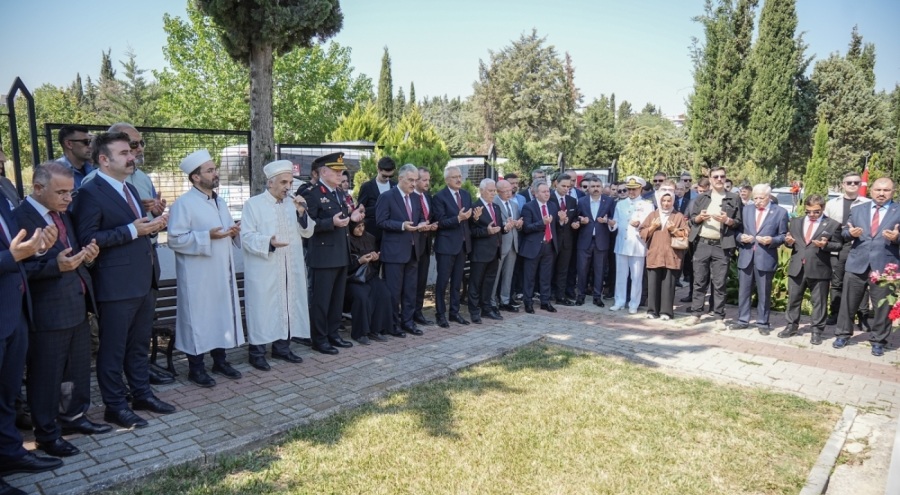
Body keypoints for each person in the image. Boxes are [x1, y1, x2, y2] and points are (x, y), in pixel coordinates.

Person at [71, 131, 175, 429]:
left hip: (143, 279)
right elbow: (88, 238)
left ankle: (142, 394)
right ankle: (114, 406)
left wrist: (153, 226)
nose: (132, 157)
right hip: (115, 285)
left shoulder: (128, 189)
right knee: (113, 349)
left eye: (131, 152)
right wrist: (133, 230)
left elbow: (139, 230)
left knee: (138, 345)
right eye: (124, 154)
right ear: (103, 160)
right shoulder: (90, 193)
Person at [14, 162, 109, 458]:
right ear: (38, 188)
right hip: (47, 311)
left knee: (77, 369)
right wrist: (53, 266)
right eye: (62, 192)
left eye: (71, 191)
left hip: (76, 305)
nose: (69, 198)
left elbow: (72, 253)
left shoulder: (61, 215)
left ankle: (74, 418)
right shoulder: (19, 217)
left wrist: (88, 257)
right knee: (47, 376)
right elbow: (16, 268)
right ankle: (46, 434)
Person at [0, 188, 62, 495]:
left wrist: (37, 248)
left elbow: (16, 249)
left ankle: (10, 454)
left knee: (7, 394)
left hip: (14, 312)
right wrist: (11, 256)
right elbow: (9, 254)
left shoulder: (1, 197)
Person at [166, 150, 245, 386]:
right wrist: (206, 237)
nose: (216, 173)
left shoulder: (219, 201)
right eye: (210, 170)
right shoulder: (184, 204)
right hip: (197, 275)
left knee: (220, 314)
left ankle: (220, 361)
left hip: (221, 270)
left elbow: (225, 230)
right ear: (195, 177)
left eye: (215, 169)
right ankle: (196, 367)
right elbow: (174, 239)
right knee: (199, 319)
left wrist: (234, 231)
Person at [241, 160, 315, 369]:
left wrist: (302, 213)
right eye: (283, 182)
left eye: (290, 182)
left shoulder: (293, 205)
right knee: (263, 308)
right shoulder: (253, 205)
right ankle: (256, 353)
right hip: (265, 267)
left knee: (288, 304)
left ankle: (282, 348)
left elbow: (308, 231)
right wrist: (268, 242)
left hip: (290, 267)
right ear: (270, 183)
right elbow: (246, 237)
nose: (287, 187)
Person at [834, 178, 900, 357]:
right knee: (848, 302)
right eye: (878, 189)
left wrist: (896, 238)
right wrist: (850, 234)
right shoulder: (857, 210)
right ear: (871, 191)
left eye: (886, 190)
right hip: (857, 263)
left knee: (883, 307)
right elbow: (844, 233)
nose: (881, 193)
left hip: (886, 266)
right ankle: (842, 334)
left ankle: (878, 340)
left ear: (893, 191)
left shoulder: (898, 210)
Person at [306, 153, 363, 354]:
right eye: (336, 171)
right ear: (323, 172)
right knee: (321, 300)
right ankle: (319, 339)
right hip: (323, 257)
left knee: (336, 300)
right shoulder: (312, 194)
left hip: (340, 254)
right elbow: (306, 226)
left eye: (341, 171)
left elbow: (344, 222)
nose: (341, 174)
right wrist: (331, 223)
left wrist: (353, 218)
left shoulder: (339, 193)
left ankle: (333, 334)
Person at [376, 163, 431, 336]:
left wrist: (422, 224)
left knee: (410, 290)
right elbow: (380, 221)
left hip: (414, 251)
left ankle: (408, 322)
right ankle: (393, 325)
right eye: (410, 180)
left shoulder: (415, 197)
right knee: (394, 292)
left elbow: (420, 217)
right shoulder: (387, 197)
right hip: (394, 253)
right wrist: (401, 226)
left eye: (416, 180)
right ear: (400, 179)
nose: (414, 184)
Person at [781, 195, 842, 345]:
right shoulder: (796, 222)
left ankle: (816, 331)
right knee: (793, 299)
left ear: (822, 208)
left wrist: (825, 245)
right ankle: (791, 326)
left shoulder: (832, 224)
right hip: (797, 267)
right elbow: (791, 243)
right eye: (808, 211)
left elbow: (838, 245)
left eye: (816, 212)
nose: (812, 215)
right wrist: (788, 243)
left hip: (819, 268)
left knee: (819, 302)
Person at [686, 167, 742, 325]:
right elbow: (691, 219)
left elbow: (739, 222)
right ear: (710, 179)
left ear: (725, 178)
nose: (719, 179)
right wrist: (699, 219)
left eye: (722, 176)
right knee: (699, 280)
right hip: (702, 243)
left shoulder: (733, 198)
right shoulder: (701, 198)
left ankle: (718, 316)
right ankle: (696, 313)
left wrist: (727, 221)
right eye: (715, 177)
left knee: (719, 282)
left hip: (721, 245)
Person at [729, 184, 787, 333]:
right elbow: (737, 231)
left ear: (768, 197)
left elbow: (783, 236)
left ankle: (762, 323)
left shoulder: (780, 212)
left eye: (761, 198)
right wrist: (741, 237)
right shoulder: (746, 210)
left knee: (764, 292)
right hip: (747, 256)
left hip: (765, 257)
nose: (758, 201)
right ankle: (743, 319)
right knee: (744, 291)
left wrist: (772, 240)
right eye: (755, 198)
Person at [824, 172, 871, 326]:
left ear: (860, 185)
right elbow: (824, 225)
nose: (852, 185)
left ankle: (862, 317)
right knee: (836, 283)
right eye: (849, 182)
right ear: (843, 184)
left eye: (856, 182)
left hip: (859, 247)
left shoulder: (868, 204)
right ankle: (835, 314)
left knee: (861, 283)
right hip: (838, 247)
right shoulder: (832, 203)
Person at [432, 166, 475, 328]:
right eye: (454, 177)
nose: (459, 179)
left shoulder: (465, 195)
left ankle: (454, 312)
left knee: (457, 282)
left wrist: (474, 218)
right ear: (446, 180)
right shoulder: (439, 197)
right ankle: (440, 314)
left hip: (463, 245)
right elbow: (440, 222)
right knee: (443, 282)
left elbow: (468, 220)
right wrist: (458, 218)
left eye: (460, 176)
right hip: (446, 246)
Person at [639, 191, 689, 320]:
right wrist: (653, 227)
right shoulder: (653, 215)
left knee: (668, 284)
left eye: (669, 201)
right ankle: (652, 311)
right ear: (660, 201)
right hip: (655, 253)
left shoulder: (678, 216)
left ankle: (666, 312)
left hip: (671, 254)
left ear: (673, 202)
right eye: (663, 201)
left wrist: (674, 230)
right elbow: (642, 231)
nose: (666, 204)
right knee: (653, 283)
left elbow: (686, 233)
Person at [609, 176, 653, 314]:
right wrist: (612, 224)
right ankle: (620, 301)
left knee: (636, 276)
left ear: (641, 189)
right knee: (621, 275)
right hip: (622, 243)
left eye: (635, 189)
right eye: (629, 189)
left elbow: (650, 225)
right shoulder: (620, 204)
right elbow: (616, 222)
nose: (632, 192)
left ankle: (634, 303)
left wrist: (639, 225)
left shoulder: (647, 204)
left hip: (637, 244)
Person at [346, 221, 395, 343]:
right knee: (362, 297)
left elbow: (375, 264)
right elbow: (344, 266)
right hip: (352, 278)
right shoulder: (345, 240)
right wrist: (359, 261)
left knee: (384, 293)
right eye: (358, 227)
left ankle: (376, 329)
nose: (361, 229)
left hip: (369, 275)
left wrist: (375, 258)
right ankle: (360, 333)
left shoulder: (369, 238)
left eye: (363, 226)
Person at [520, 181, 561, 313]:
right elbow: (526, 228)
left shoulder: (553, 206)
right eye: (543, 192)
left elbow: (555, 227)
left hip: (549, 246)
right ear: (536, 193)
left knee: (546, 276)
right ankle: (528, 302)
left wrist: (562, 221)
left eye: (548, 191)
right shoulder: (528, 207)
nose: (547, 194)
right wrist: (541, 223)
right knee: (529, 277)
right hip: (533, 247)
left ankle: (545, 301)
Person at [467, 178, 504, 322]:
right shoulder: (475, 207)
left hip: (495, 251)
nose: (493, 193)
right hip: (480, 252)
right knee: (476, 283)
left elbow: (498, 228)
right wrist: (486, 232)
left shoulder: (496, 207)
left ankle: (486, 309)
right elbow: (472, 232)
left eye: (494, 190)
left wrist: (505, 228)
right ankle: (474, 311)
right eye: (490, 190)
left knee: (489, 282)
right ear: (481, 191)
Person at [575, 176, 615, 306]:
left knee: (600, 270)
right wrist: (580, 221)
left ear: (602, 188)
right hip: (584, 241)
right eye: (593, 186)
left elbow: (613, 220)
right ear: (588, 188)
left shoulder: (609, 201)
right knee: (582, 270)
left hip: (601, 241)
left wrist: (607, 221)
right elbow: (575, 218)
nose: (596, 189)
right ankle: (580, 295)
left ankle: (597, 296)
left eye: (598, 186)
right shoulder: (581, 201)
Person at [548, 173, 580, 305]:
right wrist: (559, 221)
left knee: (563, 269)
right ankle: (547, 294)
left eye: (568, 186)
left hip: (567, 241)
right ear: (556, 183)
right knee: (548, 269)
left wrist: (576, 222)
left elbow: (575, 216)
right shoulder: (548, 198)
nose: (566, 189)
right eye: (563, 186)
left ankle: (560, 296)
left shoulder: (572, 201)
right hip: (551, 241)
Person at [492, 179, 522, 312]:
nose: (509, 193)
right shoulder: (494, 203)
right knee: (495, 275)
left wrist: (519, 224)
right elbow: (494, 223)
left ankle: (505, 300)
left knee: (508, 275)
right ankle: (492, 302)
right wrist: (506, 224)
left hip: (513, 244)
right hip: (500, 244)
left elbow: (516, 223)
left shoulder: (514, 204)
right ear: (498, 192)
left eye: (510, 190)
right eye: (505, 191)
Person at [680, 177, 710, 303]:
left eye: (703, 191)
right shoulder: (692, 202)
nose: (700, 194)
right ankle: (692, 294)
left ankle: (708, 297)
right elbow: (685, 217)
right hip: (694, 240)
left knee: (709, 272)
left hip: (708, 239)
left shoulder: (713, 202)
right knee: (694, 269)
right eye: (699, 191)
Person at [413, 167, 436, 326]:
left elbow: (430, 217)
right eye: (424, 180)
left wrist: (433, 225)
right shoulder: (410, 197)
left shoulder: (427, 196)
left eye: (428, 180)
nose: (427, 183)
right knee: (411, 282)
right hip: (413, 245)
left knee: (421, 281)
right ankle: (405, 313)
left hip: (426, 244)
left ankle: (418, 311)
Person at [357, 156, 397, 245]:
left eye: (390, 176)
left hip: (392, 234)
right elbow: (360, 210)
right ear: (378, 170)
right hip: (372, 234)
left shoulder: (395, 186)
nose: (387, 179)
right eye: (385, 176)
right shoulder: (367, 187)